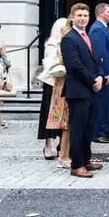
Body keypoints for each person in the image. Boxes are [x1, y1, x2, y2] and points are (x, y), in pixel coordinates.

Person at [60, 3, 104, 179]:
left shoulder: (88, 36)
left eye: (85, 15)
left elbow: (96, 60)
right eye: (79, 15)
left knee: (89, 128)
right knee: (78, 129)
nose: (82, 18)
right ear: (72, 18)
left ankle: (86, 159)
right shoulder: (69, 39)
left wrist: (100, 76)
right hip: (78, 91)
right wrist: (92, 80)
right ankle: (76, 164)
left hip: (92, 89)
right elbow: (75, 66)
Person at [36, 17, 67, 161]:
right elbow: (51, 62)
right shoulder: (52, 44)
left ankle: (62, 142)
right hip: (52, 82)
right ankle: (47, 144)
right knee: (49, 113)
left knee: (64, 114)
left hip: (64, 82)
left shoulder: (67, 41)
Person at [89, 3, 109, 144]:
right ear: (101, 13)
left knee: (107, 102)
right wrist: (106, 72)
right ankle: (98, 132)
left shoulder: (104, 28)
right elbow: (100, 53)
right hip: (103, 72)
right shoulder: (97, 29)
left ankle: (106, 129)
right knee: (101, 103)